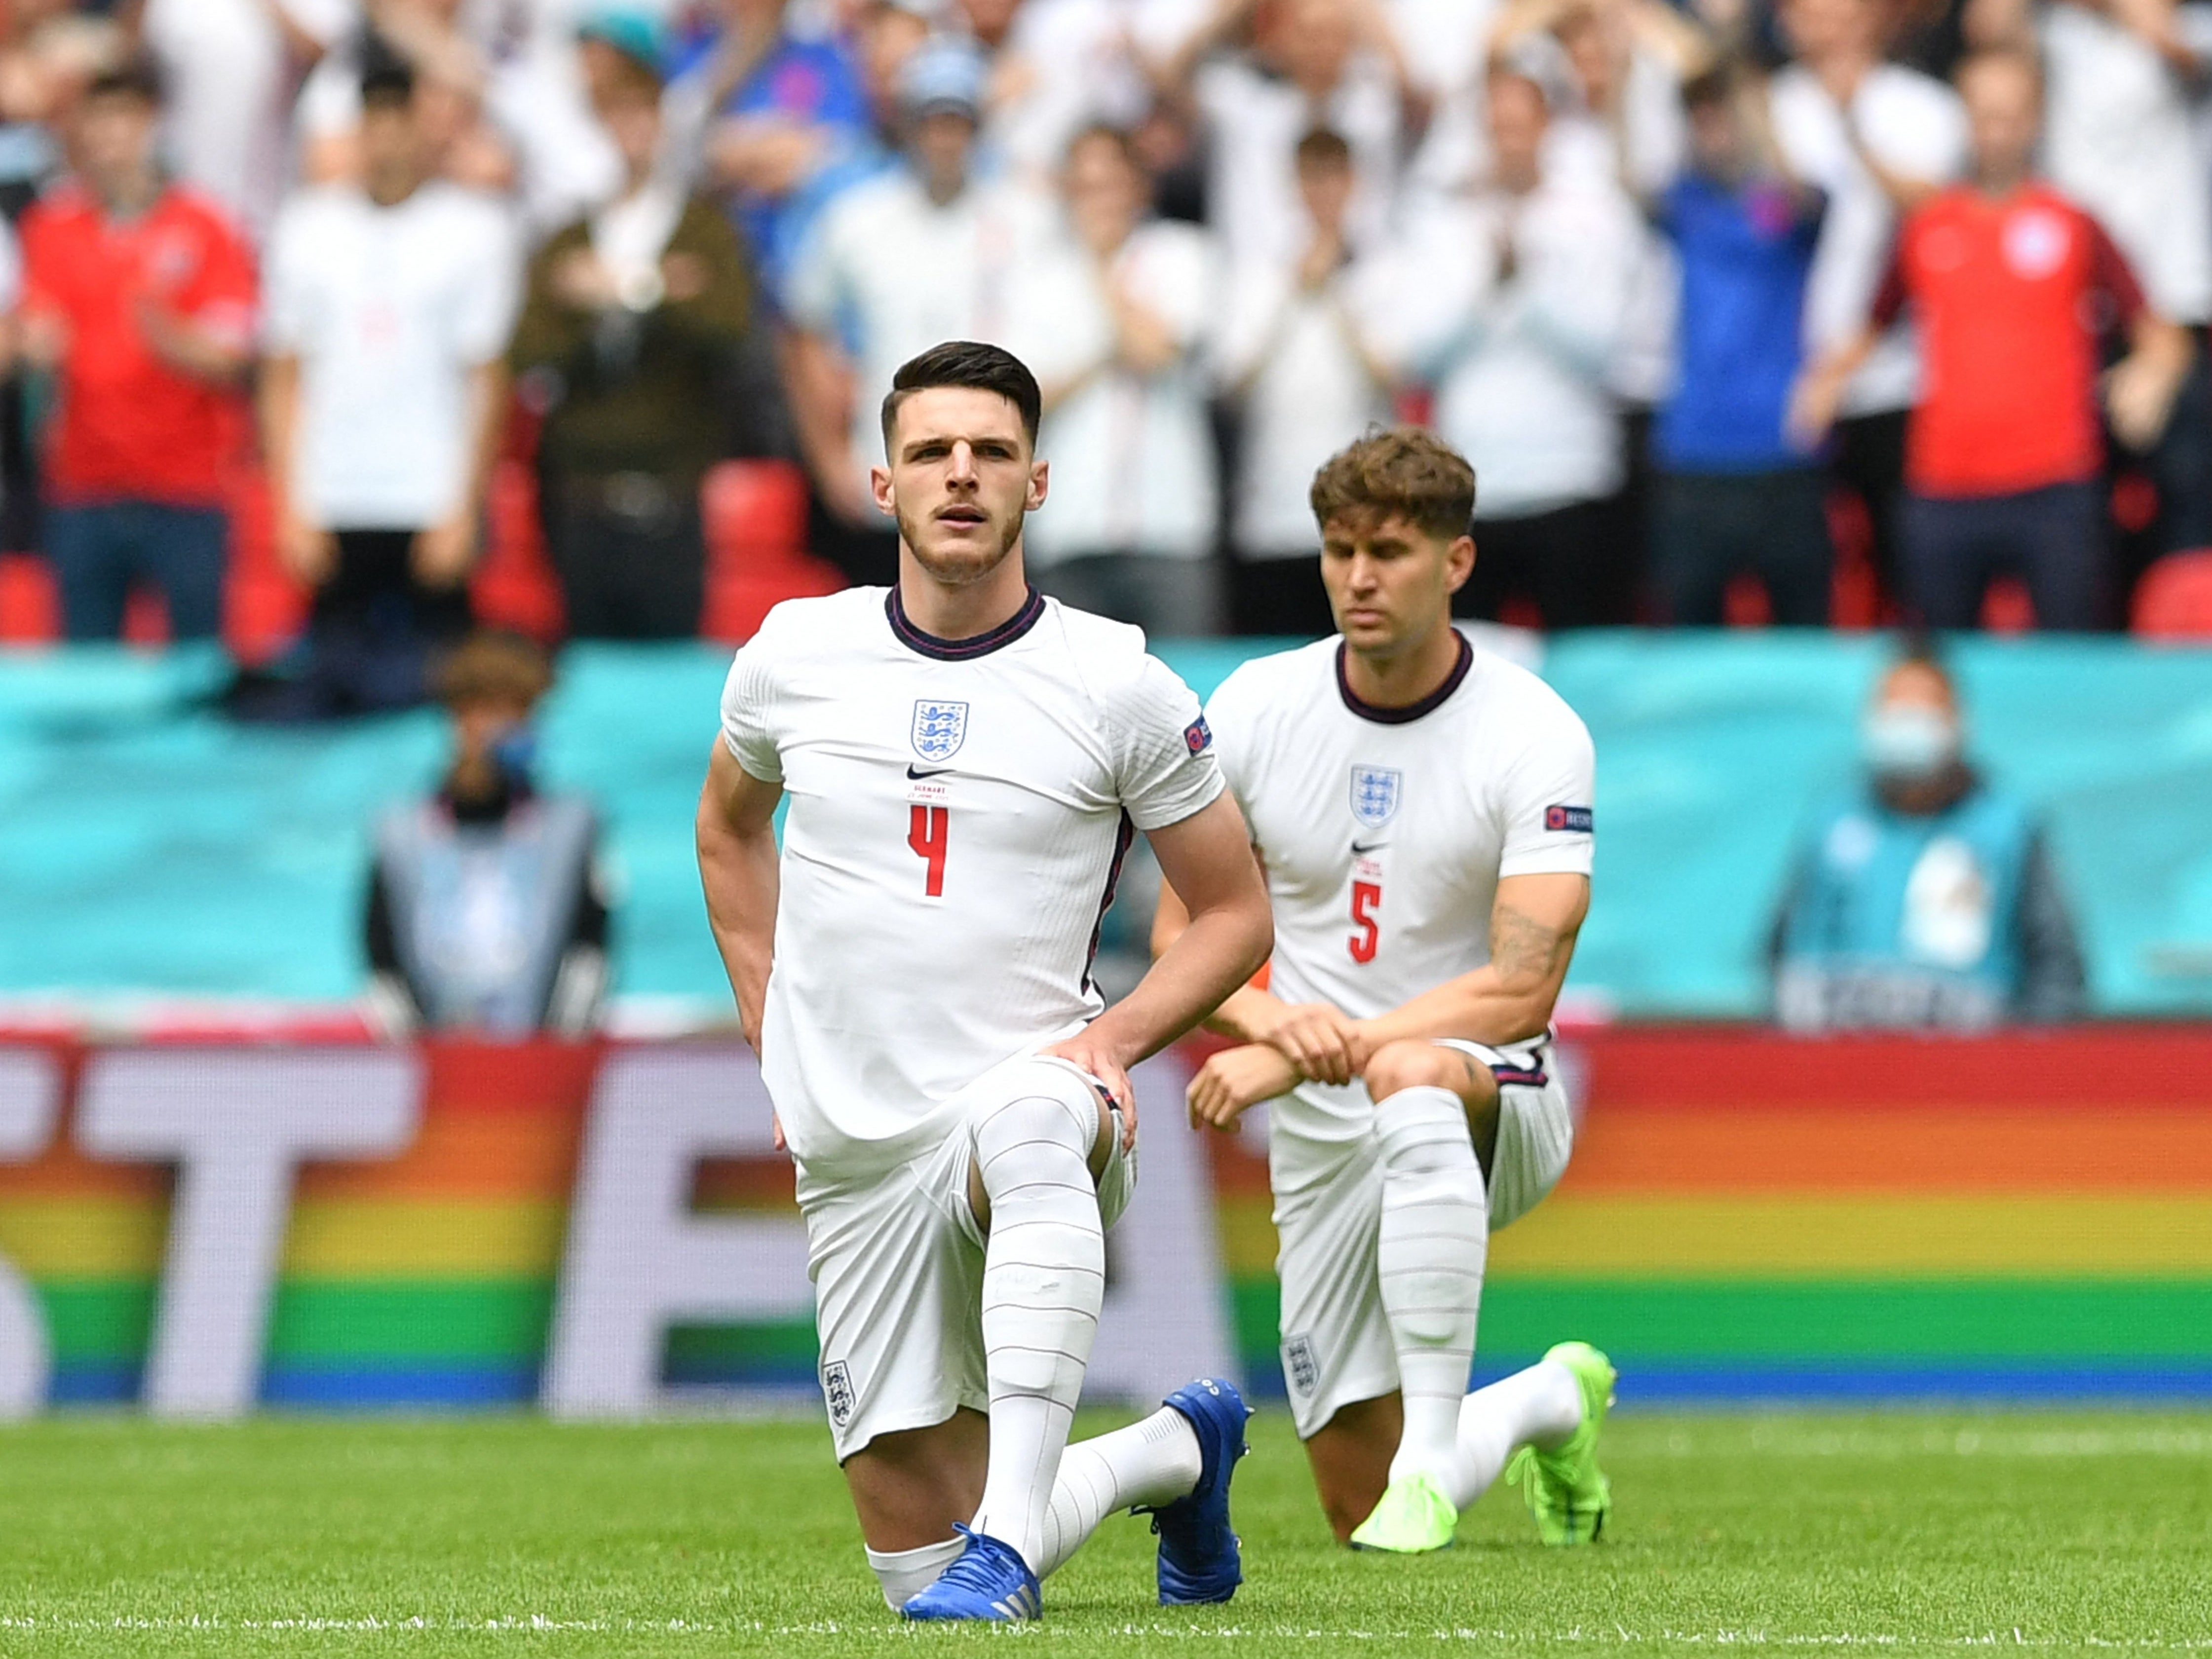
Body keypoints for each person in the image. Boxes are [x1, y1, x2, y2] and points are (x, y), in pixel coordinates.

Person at [696, 341, 1275, 1621]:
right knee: (915, 1561)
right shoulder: (795, 652)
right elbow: (729, 830)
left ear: (1038, 482)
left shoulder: (1116, 680)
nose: (962, 475)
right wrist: (770, 1027)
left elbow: (1233, 912)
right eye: (933, 453)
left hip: (1041, 1094)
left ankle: (1010, 1547)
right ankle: (1174, 1452)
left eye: (992, 453)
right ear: (881, 482)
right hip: (853, 1139)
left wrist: (1116, 1041)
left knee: (1027, 1120)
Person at [1154, 427, 1613, 1555]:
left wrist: (1310, 1047)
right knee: (1354, 1513)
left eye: (1391, 552)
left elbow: (1519, 987)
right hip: (1317, 1116)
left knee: (1410, 1076)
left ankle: (1428, 1457)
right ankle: (1549, 1400)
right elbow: (1182, 927)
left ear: (1455, 563)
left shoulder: (1533, 730)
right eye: (1339, 550)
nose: (1359, 578)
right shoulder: (1259, 707)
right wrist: (1266, 1023)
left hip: (1489, 1093)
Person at [1790, 47, 2191, 629]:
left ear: (2036, 120)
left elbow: (2160, 331)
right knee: (1940, 672)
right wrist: (1824, 380)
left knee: (2069, 669)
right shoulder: (1928, 228)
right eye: (1982, 114)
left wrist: (2153, 373)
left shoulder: (2074, 223)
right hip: (1945, 488)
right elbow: (1870, 327)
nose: (1995, 131)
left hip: (2057, 487)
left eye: (2009, 114)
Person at [255, 56, 519, 717]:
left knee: (442, 697)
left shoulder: (474, 229)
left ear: (422, 129)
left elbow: (485, 379)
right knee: (329, 701)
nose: (386, 140)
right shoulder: (307, 229)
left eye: (399, 122)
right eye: (372, 123)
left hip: (427, 496)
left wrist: (463, 507)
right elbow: (284, 376)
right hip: (335, 494)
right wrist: (289, 504)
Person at [509, 17, 752, 640]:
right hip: (580, 490)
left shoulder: (705, 228)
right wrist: (657, 287)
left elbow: (728, 330)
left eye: (646, 116)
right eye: (619, 118)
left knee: (667, 669)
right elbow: (529, 352)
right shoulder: (570, 235)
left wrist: (627, 290)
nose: (634, 135)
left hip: (671, 489)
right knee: (586, 665)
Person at [782, 38, 1048, 587]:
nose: (945, 138)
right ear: (908, 126)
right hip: (890, 467)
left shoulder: (1024, 219)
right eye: (932, 121)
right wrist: (828, 453)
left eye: (958, 122)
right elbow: (804, 327)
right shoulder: (857, 219)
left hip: (992, 474)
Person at [18, 56, 257, 644]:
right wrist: (34, 345)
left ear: (151, 124)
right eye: (95, 122)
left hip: (187, 486)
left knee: (199, 669)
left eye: (122, 120)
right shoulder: (53, 227)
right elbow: (35, 328)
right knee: (87, 674)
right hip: (85, 486)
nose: (108, 138)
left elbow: (233, 357)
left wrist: (167, 336)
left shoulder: (205, 226)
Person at [1402, 68, 1642, 629]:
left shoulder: (1595, 216)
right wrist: (1489, 287)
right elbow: (1418, 358)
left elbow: (1605, 353)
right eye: (1496, 126)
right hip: (1471, 487)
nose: (1508, 139)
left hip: (1572, 476)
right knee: (1468, 680)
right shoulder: (1441, 222)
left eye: (1519, 125)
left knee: (1587, 673)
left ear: (1547, 128)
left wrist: (1527, 288)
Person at [1771, 640, 2086, 1029]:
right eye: (1895, 708)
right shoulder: (1831, 822)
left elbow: (2056, 968)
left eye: (1924, 709)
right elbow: (1780, 953)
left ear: (1958, 721)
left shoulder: (2008, 827)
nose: (1908, 722)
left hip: (1967, 1070)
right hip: (1839, 1066)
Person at [1769, 0, 1967, 607]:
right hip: (1793, 377)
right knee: (1809, 570)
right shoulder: (1773, 104)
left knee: (1905, 560)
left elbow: (1938, 219)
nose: (1830, 20)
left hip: (1900, 374)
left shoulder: (1924, 105)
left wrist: (1855, 128)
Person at [1013, 124, 1220, 636]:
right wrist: (1107, 355)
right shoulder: (1034, 276)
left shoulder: (1184, 255)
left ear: (1139, 187)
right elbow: (1022, 401)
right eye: (1084, 187)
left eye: (1110, 185)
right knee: (1072, 705)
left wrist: (1102, 268)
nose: (1098, 202)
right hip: (1067, 524)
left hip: (1170, 525)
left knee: (1185, 695)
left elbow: (1157, 352)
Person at [1649, 63, 1833, 626]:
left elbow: (1802, 197)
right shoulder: (1685, 203)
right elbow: (1625, 173)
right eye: (1700, 121)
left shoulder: (1797, 206)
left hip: (1783, 449)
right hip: (1694, 454)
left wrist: (1757, 112)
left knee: (1803, 636)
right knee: (1689, 643)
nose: (1715, 133)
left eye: (1725, 118)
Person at [365, 631, 611, 1039]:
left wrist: (552, 1051)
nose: (515, 728)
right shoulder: (399, 832)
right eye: (496, 711)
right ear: (461, 717)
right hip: (439, 1071)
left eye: (525, 713)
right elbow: (381, 960)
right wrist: (424, 1053)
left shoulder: (573, 826)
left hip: (539, 1068)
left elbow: (591, 954)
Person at [1217, 126, 1398, 639]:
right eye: (1311, 179)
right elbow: (1232, 387)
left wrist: (1335, 293)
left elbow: (1395, 377)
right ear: (1292, 186)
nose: (1322, 193)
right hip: (1273, 515)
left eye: (1333, 178)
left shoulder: (1386, 269)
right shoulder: (1255, 277)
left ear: (1353, 184)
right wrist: (1292, 293)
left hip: (1363, 516)